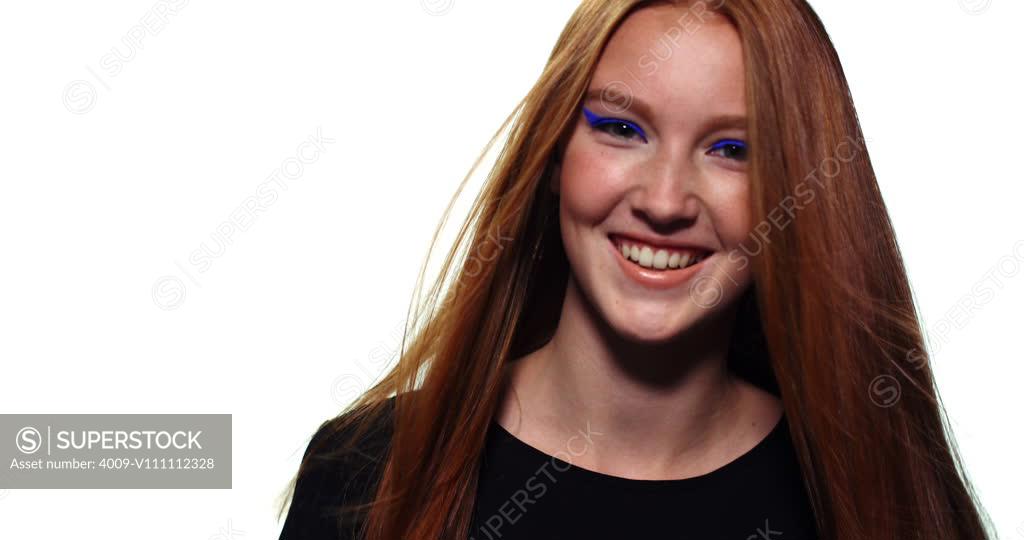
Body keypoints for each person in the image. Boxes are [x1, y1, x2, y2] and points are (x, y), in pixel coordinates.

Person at [278, 1, 995, 539]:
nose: (663, 201)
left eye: (733, 150)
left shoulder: (880, 494)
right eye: (621, 129)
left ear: (796, 192)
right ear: (554, 157)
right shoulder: (366, 470)